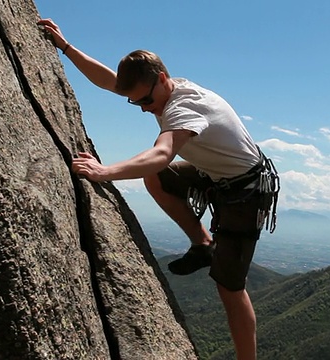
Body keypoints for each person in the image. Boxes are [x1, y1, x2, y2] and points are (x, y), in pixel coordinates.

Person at [37, 18, 279, 360]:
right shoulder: (163, 90)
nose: (145, 109)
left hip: (246, 191)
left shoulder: (184, 107)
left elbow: (162, 153)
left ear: (163, 80)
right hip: (218, 175)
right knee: (157, 178)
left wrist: (105, 172)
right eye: (137, 103)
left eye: (146, 101)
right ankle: (202, 244)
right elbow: (111, 82)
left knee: (230, 287)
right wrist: (66, 48)